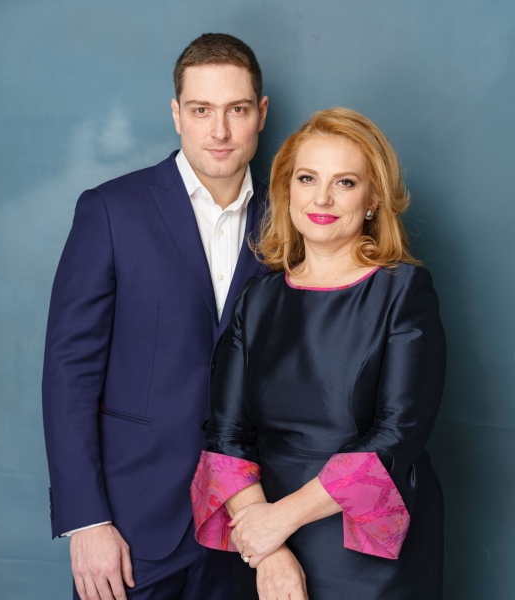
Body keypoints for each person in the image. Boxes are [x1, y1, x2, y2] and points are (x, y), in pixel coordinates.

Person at [42, 33, 297, 600]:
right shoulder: (111, 211)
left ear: (261, 114)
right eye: (202, 110)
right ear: (177, 114)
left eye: (236, 110)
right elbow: (68, 372)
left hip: (250, 525)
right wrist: (86, 521)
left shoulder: (293, 220)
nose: (220, 130)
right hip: (131, 525)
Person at [190, 107, 447, 599]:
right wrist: (268, 548)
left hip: (366, 547)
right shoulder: (256, 299)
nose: (322, 198)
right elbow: (225, 437)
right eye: (307, 178)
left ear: (373, 198)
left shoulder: (403, 291)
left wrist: (279, 520)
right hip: (262, 535)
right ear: (287, 189)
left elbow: (397, 436)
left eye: (345, 182)